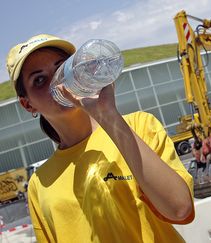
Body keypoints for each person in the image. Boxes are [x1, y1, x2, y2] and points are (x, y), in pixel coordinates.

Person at [6, 34, 195, 242]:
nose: (56, 82)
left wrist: (108, 116)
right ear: (28, 105)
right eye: (40, 80)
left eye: (61, 68)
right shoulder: (39, 184)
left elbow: (179, 208)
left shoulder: (139, 126)